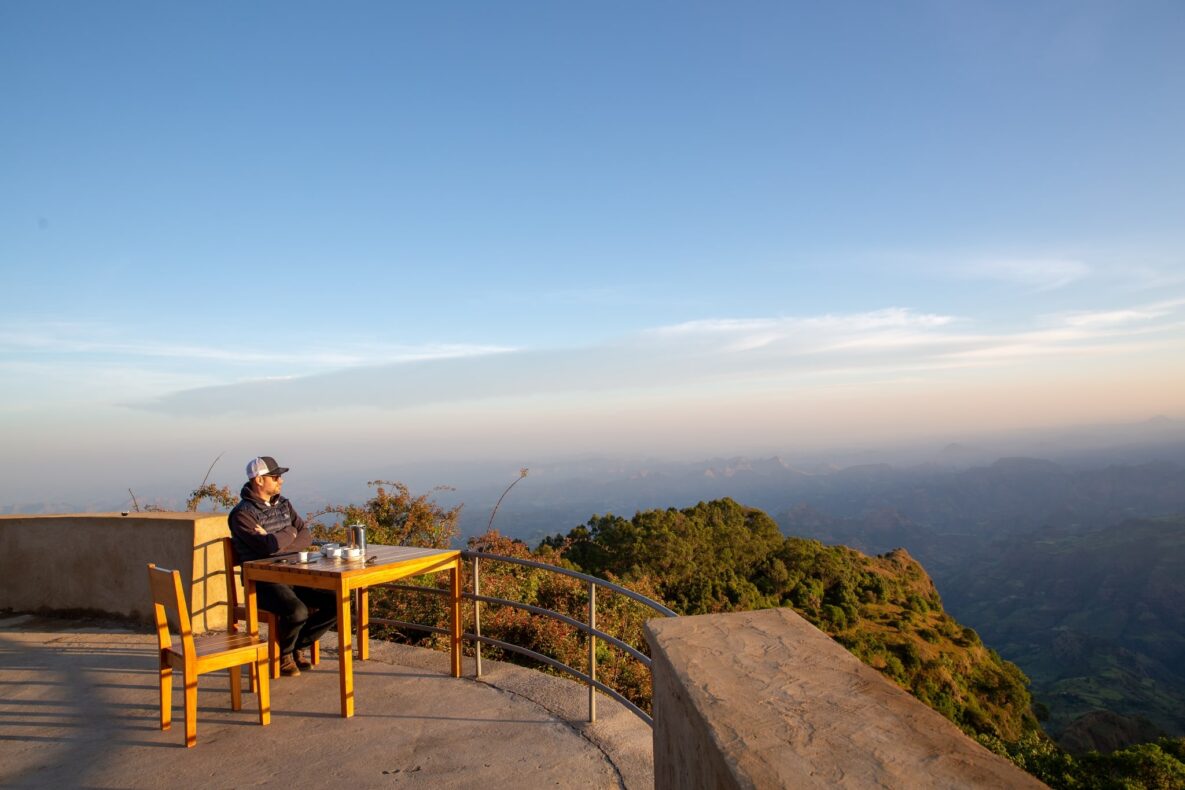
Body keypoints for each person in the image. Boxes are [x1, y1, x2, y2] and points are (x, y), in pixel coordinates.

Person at [228, 456, 336, 677]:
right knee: (297, 611)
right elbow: (267, 547)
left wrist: (280, 540)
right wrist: (289, 533)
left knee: (336, 602)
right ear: (259, 480)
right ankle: (283, 655)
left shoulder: (284, 504)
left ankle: (297, 645)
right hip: (262, 582)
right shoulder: (242, 514)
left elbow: (305, 535)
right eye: (276, 477)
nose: (281, 481)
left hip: (294, 574)